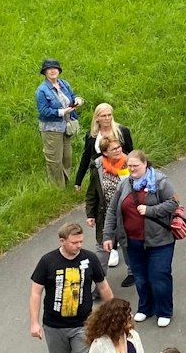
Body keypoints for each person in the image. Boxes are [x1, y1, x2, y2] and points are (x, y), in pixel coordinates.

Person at [31, 220, 113, 353]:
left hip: (83, 324)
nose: (79, 246)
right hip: (54, 325)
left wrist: (114, 314)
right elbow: (35, 293)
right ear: (62, 241)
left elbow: (103, 287)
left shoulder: (90, 259)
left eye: (81, 242)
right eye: (74, 242)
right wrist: (34, 322)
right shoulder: (47, 261)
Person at [117, 151, 179, 324]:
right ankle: (145, 308)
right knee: (140, 277)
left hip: (160, 240)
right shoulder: (125, 184)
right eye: (129, 166)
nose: (132, 169)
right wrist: (108, 236)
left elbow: (174, 202)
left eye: (135, 166)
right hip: (133, 241)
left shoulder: (161, 181)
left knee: (159, 275)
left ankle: (164, 311)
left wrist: (150, 210)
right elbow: (113, 211)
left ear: (145, 164)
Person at [77, 104, 134, 258]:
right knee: (106, 206)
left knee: (123, 206)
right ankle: (112, 246)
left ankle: (127, 242)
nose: (107, 118)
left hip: (121, 172)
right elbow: (85, 156)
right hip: (100, 174)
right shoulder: (92, 136)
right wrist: (79, 179)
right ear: (97, 118)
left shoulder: (122, 131)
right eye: (103, 116)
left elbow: (131, 152)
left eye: (109, 115)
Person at [36, 58, 82, 186]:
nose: (52, 71)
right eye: (49, 69)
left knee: (67, 157)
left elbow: (72, 96)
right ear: (44, 72)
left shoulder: (64, 84)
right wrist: (62, 112)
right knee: (54, 159)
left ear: (59, 70)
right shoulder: (41, 90)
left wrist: (78, 100)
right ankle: (58, 187)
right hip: (51, 129)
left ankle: (66, 183)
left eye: (55, 68)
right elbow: (43, 111)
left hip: (66, 126)